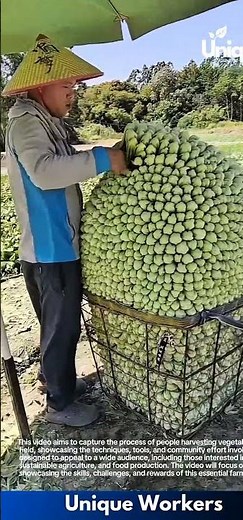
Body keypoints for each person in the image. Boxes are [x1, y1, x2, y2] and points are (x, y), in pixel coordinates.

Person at [3, 34, 127, 427]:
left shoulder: (44, 121)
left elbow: (60, 159)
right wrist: (104, 159)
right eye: (66, 86)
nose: (73, 94)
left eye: (75, 87)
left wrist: (97, 156)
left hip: (54, 245)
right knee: (63, 326)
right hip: (51, 248)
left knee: (55, 324)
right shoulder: (26, 123)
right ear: (41, 86)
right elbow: (45, 171)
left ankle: (54, 380)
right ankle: (59, 403)